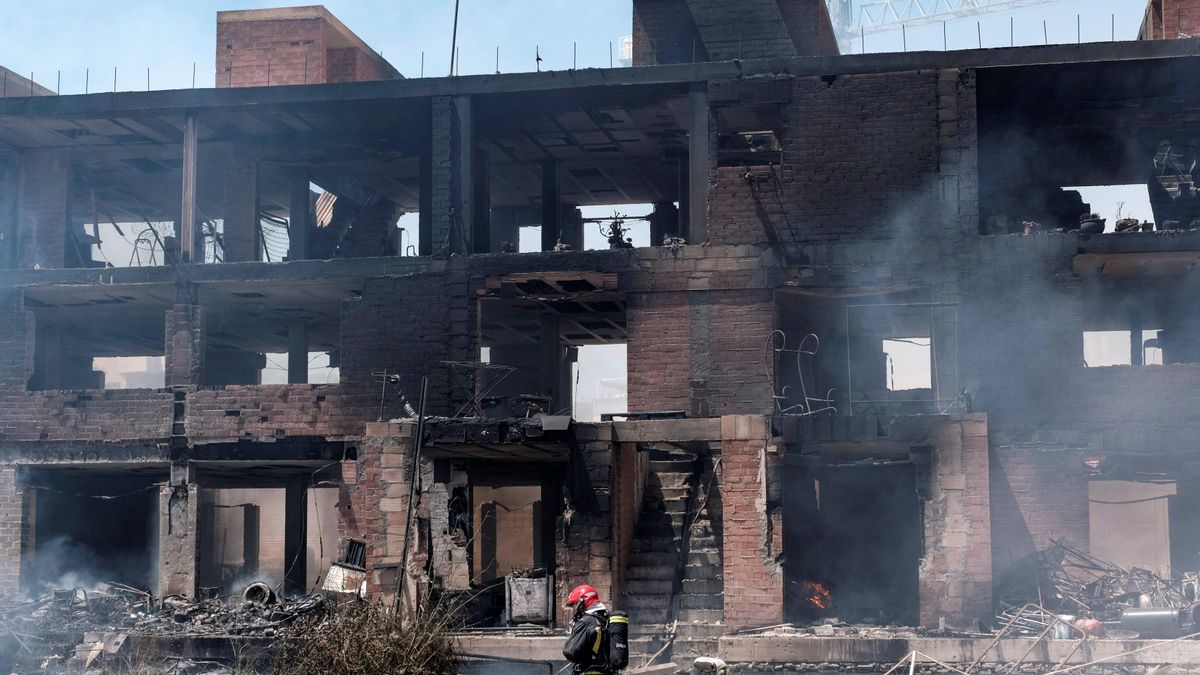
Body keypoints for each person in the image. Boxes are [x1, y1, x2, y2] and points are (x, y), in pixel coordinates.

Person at [562, 584, 612, 674]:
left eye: (575, 604)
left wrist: (574, 633)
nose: (575, 608)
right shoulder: (605, 619)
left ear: (582, 602)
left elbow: (570, 652)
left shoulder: (586, 621)